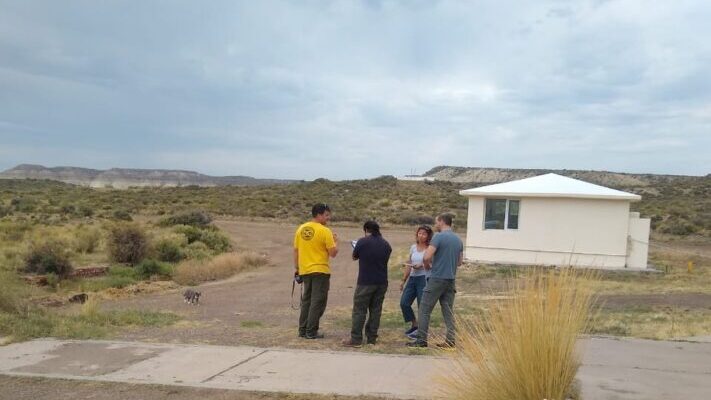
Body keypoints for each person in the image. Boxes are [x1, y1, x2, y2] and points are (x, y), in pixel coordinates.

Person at [407, 213, 463, 348]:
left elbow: (426, 257)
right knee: (448, 310)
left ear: (442, 222)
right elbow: (460, 262)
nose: (436, 225)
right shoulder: (458, 239)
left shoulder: (438, 237)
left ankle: (421, 340)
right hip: (450, 279)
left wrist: (427, 266)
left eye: (436, 222)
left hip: (437, 278)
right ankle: (450, 341)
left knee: (424, 309)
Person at [342, 220, 392, 347]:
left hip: (365, 281)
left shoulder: (362, 242)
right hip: (381, 282)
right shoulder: (386, 244)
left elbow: (354, 257)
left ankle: (356, 339)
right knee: (376, 310)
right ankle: (371, 338)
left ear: (366, 230)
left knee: (359, 310)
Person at [294, 203, 339, 339]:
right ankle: (311, 331)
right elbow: (333, 253)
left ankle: (302, 330)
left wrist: (297, 269)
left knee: (306, 300)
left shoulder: (301, 229)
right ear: (319, 215)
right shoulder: (325, 231)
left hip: (305, 270)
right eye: (326, 215)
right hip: (320, 270)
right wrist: (336, 242)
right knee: (317, 301)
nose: (328, 218)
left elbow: (296, 251)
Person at [399, 225, 433, 339]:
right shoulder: (413, 247)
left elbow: (433, 265)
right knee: (404, 303)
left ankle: (422, 332)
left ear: (428, 236)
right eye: (419, 233)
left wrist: (422, 265)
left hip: (423, 278)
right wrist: (403, 280)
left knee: (421, 306)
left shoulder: (430, 248)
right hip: (412, 279)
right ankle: (414, 324)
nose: (421, 235)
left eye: (424, 234)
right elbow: (409, 264)